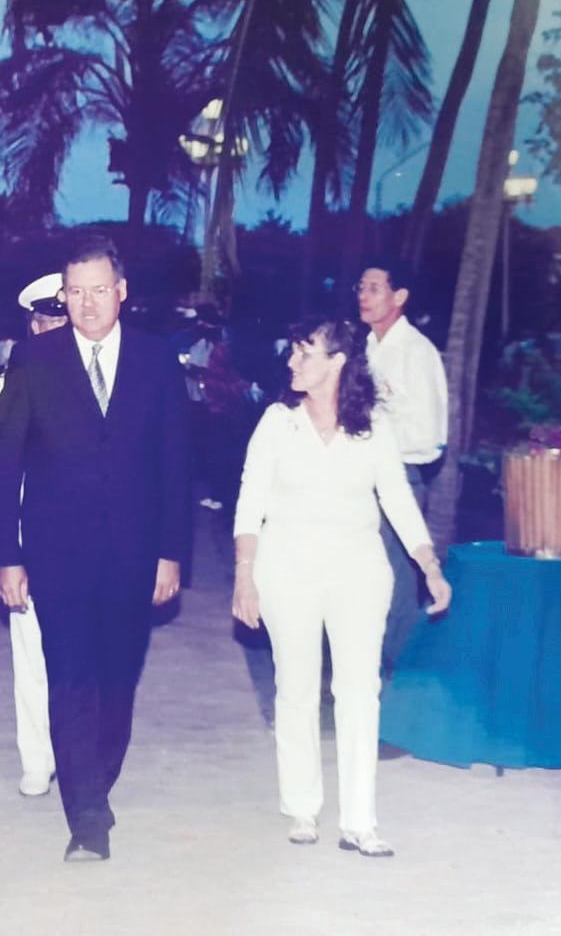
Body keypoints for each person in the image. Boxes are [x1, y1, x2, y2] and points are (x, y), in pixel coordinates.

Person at [0, 235, 191, 862]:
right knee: (70, 678)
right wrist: (6, 555)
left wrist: (171, 552)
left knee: (116, 682)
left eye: (99, 290)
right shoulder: (32, 359)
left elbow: (176, 464)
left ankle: (96, 778)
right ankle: (87, 816)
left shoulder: (157, 361)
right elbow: (4, 467)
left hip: (135, 554)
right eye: (76, 292)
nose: (88, 303)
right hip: (56, 554)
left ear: (121, 292)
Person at [231, 316, 450, 858]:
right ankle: (302, 807)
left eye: (304, 352)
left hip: (358, 569)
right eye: (292, 350)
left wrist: (428, 565)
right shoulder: (277, 422)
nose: (292, 361)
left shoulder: (373, 425)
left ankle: (359, 819)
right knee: (296, 688)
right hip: (286, 567)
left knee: (359, 691)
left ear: (337, 362)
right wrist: (244, 577)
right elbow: (250, 501)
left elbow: (397, 499)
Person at [0, 272, 67, 797]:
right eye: (45, 320)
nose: (53, 328)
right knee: (32, 653)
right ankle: (37, 759)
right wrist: (7, 551)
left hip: (88, 538)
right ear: (32, 326)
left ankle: (80, 755)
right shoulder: (10, 386)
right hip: (30, 536)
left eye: (62, 318)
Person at [355, 261, 448, 674]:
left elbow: (430, 435)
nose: (363, 296)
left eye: (374, 288)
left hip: (401, 477)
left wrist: (380, 444)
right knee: (367, 578)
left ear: (400, 297)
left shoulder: (416, 352)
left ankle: (405, 674)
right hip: (364, 479)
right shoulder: (368, 348)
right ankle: (369, 667)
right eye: (361, 287)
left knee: (395, 581)